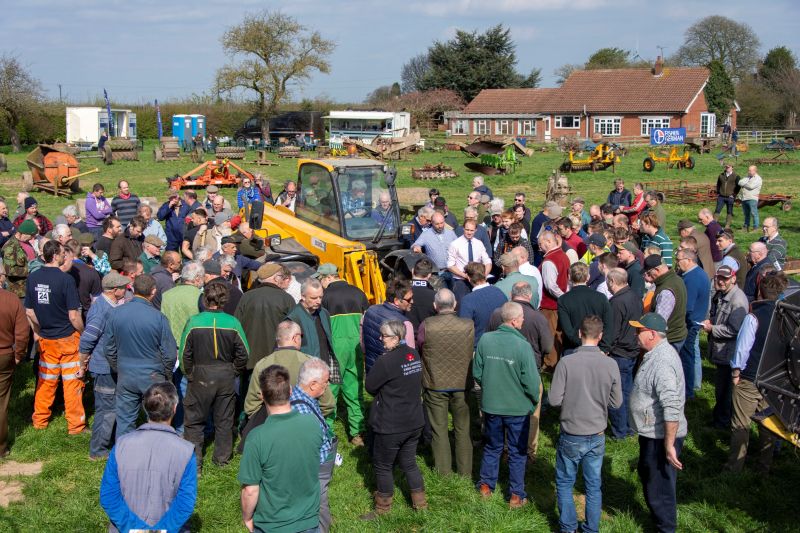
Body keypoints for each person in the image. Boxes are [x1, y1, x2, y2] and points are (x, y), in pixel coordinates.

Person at [550, 315, 622, 533]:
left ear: (579, 333)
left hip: (571, 432)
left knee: (564, 483)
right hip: (597, 433)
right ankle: (591, 529)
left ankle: (568, 527)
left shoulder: (566, 362)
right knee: (593, 486)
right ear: (600, 337)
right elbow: (617, 402)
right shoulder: (610, 364)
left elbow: (554, 400)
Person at [100, 382, 197, 533]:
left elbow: (109, 495)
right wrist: (161, 530)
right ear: (175, 408)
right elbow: (185, 503)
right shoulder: (186, 451)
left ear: (145, 408)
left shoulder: (121, 445)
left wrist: (135, 528)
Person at [239, 365, 323, 533]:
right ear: (290, 391)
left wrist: (247, 517)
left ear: (262, 396)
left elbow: (250, 490)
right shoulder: (313, 424)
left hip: (272, 525)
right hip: (308, 521)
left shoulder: (256, 438)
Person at [475, 302, 540, 508]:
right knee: (517, 451)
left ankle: (485, 486)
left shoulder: (485, 339)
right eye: (521, 317)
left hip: (491, 405)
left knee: (492, 446)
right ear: (514, 320)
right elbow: (531, 381)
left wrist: (491, 387)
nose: (523, 320)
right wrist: (532, 400)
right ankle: (516, 495)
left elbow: (477, 372)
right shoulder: (522, 346)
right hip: (517, 409)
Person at [180, 282, 249, 473]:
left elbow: (184, 353)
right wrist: (234, 370)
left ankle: (195, 464)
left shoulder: (194, 322)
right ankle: (222, 459)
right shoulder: (233, 322)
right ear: (224, 301)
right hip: (225, 375)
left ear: (204, 299)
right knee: (224, 419)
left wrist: (190, 373)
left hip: (200, 374)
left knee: (194, 421)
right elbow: (244, 353)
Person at [629, 313, 687, 533]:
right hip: (651, 432)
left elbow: (672, 406)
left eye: (639, 330)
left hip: (661, 436)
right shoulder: (654, 353)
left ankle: (666, 528)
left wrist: (669, 445)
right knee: (649, 476)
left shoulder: (662, 362)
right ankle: (659, 521)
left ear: (652, 334)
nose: (636, 334)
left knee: (660, 487)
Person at [363, 319, 427, 519]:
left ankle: (382, 509)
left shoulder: (386, 361)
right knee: (409, 462)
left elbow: (370, 387)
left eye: (385, 336)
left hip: (391, 423)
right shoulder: (413, 354)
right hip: (414, 420)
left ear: (397, 338)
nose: (381, 339)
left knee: (383, 465)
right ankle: (420, 503)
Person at [726, 273, 787, 473]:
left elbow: (743, 349)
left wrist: (736, 372)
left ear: (760, 290)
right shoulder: (787, 316)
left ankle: (735, 466)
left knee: (740, 424)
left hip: (750, 377)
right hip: (774, 379)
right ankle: (764, 466)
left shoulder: (754, 316)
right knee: (768, 424)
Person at [106, 274, 177, 438]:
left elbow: (109, 348)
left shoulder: (116, 314)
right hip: (152, 375)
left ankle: (124, 457)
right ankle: (153, 454)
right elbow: (170, 353)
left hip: (126, 374)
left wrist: (119, 367)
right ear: (153, 292)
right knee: (157, 419)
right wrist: (166, 374)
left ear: (133, 289)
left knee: (124, 421)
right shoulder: (158, 317)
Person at [25, 241, 85, 434]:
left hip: (46, 339)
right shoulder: (66, 280)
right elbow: (74, 316)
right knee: (72, 382)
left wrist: (38, 329)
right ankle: (75, 426)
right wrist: (83, 334)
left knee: (45, 381)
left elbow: (30, 311)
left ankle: (40, 421)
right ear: (57, 255)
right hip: (67, 338)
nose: (64, 257)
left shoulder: (33, 278)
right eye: (62, 254)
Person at [487, 281, 552, 460]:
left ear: (511, 294)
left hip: (500, 371)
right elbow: (547, 347)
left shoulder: (496, 314)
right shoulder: (538, 317)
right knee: (531, 414)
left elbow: (490, 337)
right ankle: (529, 452)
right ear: (529, 296)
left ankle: (504, 448)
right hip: (530, 370)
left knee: (503, 411)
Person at [417, 288, 474, 476]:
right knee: (463, 428)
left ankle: (444, 472)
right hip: (462, 382)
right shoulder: (468, 325)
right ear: (455, 304)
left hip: (435, 383)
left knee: (438, 429)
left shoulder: (427, 325)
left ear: (435, 306)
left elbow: (420, 346)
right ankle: (465, 471)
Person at [317, 263, 369, 445]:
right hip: (356, 347)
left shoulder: (325, 297)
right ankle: (357, 433)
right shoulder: (359, 292)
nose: (320, 283)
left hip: (334, 348)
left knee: (330, 390)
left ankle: (326, 431)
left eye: (320, 279)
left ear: (329, 277)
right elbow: (366, 322)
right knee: (354, 389)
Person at [242, 321, 335, 423]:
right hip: (304, 425)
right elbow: (328, 403)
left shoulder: (262, 365)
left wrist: (268, 423)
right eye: (301, 336)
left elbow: (251, 407)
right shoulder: (311, 364)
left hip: (272, 427)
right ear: (295, 338)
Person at [78, 269, 127, 451]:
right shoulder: (101, 310)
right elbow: (87, 338)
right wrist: (82, 364)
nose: (126, 289)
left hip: (111, 366)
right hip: (103, 368)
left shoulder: (111, 306)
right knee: (107, 410)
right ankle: (98, 450)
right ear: (114, 290)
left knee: (113, 407)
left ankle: (109, 442)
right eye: (123, 287)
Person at [290, 358, 336, 532]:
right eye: (325, 383)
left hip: (318, 465)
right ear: (313, 384)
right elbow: (306, 448)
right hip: (314, 469)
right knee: (319, 501)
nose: (326, 387)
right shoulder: (302, 412)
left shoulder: (305, 397)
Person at [701, 265, 748, 429]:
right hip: (721, 351)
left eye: (724, 278)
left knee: (725, 390)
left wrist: (712, 329)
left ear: (733, 279)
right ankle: (719, 418)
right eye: (718, 278)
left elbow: (734, 330)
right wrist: (712, 321)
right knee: (721, 388)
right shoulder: (723, 295)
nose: (720, 281)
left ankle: (722, 422)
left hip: (728, 353)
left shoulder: (738, 300)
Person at [235, 263, 296, 373]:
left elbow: (236, 327)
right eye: (282, 277)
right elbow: (294, 330)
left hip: (249, 360)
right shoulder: (287, 299)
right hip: (276, 360)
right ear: (276, 278)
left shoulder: (247, 297)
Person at [606, 268, 643, 440]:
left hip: (619, 352)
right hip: (632, 349)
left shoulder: (616, 302)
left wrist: (606, 349)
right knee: (627, 391)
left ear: (612, 281)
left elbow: (613, 331)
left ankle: (620, 430)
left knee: (616, 393)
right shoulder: (635, 296)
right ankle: (629, 426)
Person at [0, 264, 28, 458]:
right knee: (1, 403)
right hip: (4, 356)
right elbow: (22, 332)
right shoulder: (11, 299)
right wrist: (19, 354)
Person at [675, 249, 710, 398]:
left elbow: (687, 306)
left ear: (689, 260)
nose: (677, 263)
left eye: (678, 260)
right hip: (695, 319)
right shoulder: (698, 273)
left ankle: (688, 390)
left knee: (686, 355)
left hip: (690, 322)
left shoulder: (692, 278)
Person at [557, 262, 613, 354]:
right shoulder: (601, 298)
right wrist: (604, 348)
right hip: (596, 347)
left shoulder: (563, 300)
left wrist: (584, 345)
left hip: (573, 348)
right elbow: (609, 325)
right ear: (588, 277)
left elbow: (568, 330)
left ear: (569, 277)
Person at [361, 279, 415, 373]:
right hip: (393, 374)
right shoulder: (405, 324)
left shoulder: (369, 311)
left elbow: (362, 343)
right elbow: (410, 356)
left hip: (372, 369)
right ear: (397, 301)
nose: (412, 301)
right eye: (409, 299)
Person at [643, 255, 688, 354]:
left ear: (656, 270)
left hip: (670, 340)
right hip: (677, 335)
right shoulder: (676, 279)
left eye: (649, 273)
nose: (647, 275)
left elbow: (659, 322)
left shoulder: (666, 290)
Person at [538, 231, 569, 369]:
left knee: (550, 335)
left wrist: (563, 297)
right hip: (559, 304)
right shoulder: (563, 256)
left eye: (541, 244)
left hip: (550, 306)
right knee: (557, 334)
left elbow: (550, 285)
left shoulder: (549, 261)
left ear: (549, 242)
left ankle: (550, 364)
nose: (539, 247)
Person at [448, 219, 492, 301]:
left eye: (472, 230)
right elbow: (450, 265)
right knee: (462, 303)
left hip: (478, 280)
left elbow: (487, 261)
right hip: (461, 280)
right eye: (467, 229)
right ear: (463, 229)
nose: (469, 232)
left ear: (475, 230)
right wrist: (465, 276)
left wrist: (484, 275)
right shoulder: (455, 244)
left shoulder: (479, 243)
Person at [411, 212, 457, 277]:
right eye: (437, 224)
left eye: (442, 223)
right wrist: (416, 247)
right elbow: (416, 244)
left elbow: (459, 246)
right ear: (432, 223)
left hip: (452, 271)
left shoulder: (450, 233)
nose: (440, 226)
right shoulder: (426, 234)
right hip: (437, 273)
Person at [2, 220, 37, 298]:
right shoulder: (10, 247)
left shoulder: (26, 242)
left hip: (30, 289)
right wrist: (30, 269)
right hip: (18, 292)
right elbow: (9, 270)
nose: (32, 238)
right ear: (23, 233)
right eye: (31, 235)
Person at [405, 257, 436, 331]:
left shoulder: (402, 292)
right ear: (429, 275)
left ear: (412, 271)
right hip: (426, 336)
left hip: (406, 335)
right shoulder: (435, 296)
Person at [715, 163, 740, 229]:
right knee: (717, 210)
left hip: (730, 197)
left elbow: (738, 187)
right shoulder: (721, 175)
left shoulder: (736, 176)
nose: (727, 168)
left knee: (729, 211)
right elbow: (718, 184)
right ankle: (714, 223)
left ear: (732, 167)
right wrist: (718, 192)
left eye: (729, 167)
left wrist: (734, 195)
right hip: (721, 196)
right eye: (726, 167)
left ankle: (727, 225)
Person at [738, 165, 762, 232]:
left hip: (752, 198)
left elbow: (751, 186)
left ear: (755, 170)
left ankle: (756, 228)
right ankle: (746, 227)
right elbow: (739, 182)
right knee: (746, 214)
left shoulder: (758, 178)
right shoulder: (747, 177)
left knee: (754, 213)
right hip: (744, 198)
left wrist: (744, 184)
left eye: (750, 170)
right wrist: (745, 183)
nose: (749, 172)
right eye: (748, 170)